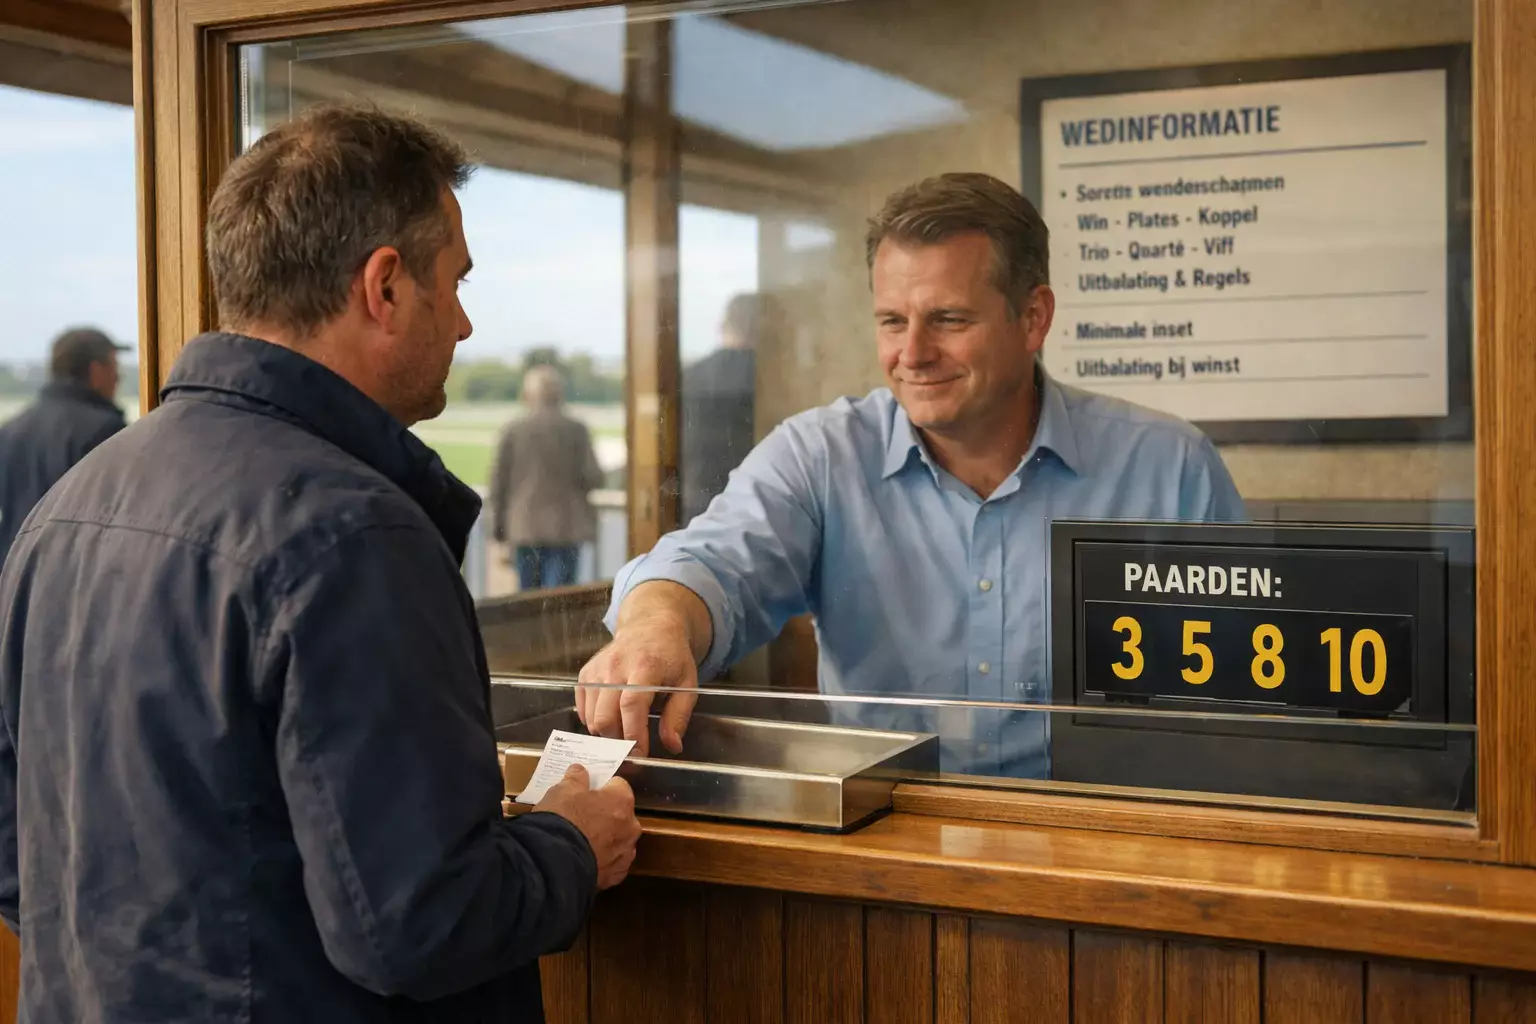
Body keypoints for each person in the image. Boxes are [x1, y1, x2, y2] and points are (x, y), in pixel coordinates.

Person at [0, 103, 640, 1023]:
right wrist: (570, 845)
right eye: (454, 283)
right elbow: (419, 926)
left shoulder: (70, 505)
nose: (463, 323)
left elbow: (17, 844)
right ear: (383, 287)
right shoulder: (351, 536)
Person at [577, 172, 1245, 776]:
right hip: (892, 855)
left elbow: (1238, 706)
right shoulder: (822, 456)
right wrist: (655, 627)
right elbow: (713, 561)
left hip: (1106, 850)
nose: (913, 354)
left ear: (1033, 317)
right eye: (893, 321)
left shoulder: (1170, 468)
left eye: (949, 319)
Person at [0, 326, 128, 562]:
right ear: (96, 371)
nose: (119, 377)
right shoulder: (104, 430)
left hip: (14, 578)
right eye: (114, 367)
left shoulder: (10, 431)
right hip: (71, 578)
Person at [489, 362, 604, 590]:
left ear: (528, 393)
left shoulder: (513, 430)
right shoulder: (576, 429)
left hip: (524, 528)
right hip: (566, 528)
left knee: (527, 602)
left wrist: (498, 532)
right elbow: (594, 477)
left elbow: (498, 485)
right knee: (560, 605)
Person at [679, 293, 766, 524]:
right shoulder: (770, 378)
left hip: (694, 499)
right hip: (751, 503)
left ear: (723, 325)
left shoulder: (689, 377)